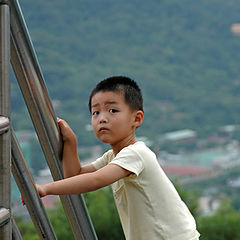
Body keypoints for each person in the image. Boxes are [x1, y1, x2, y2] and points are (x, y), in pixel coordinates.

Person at [35, 76, 200, 240]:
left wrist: (46, 189)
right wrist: (71, 142)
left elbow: (95, 180)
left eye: (112, 110)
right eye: (95, 112)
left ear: (136, 118)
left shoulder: (136, 153)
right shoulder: (112, 157)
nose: (102, 118)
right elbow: (75, 176)